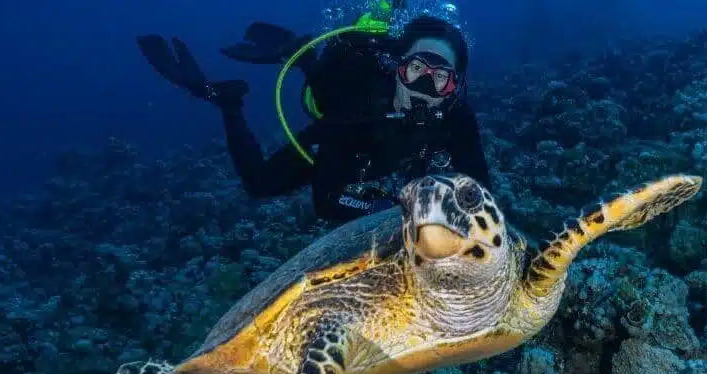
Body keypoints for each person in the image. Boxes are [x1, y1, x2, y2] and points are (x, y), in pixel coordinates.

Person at [135, 13, 492, 221]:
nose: (425, 87)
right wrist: (392, 211)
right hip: (346, 118)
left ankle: (302, 57)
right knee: (259, 184)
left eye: (441, 77)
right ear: (397, 67)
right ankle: (230, 100)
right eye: (416, 69)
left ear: (455, 87)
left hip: (376, 153)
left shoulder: (457, 119)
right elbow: (328, 200)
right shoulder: (358, 111)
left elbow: (482, 194)